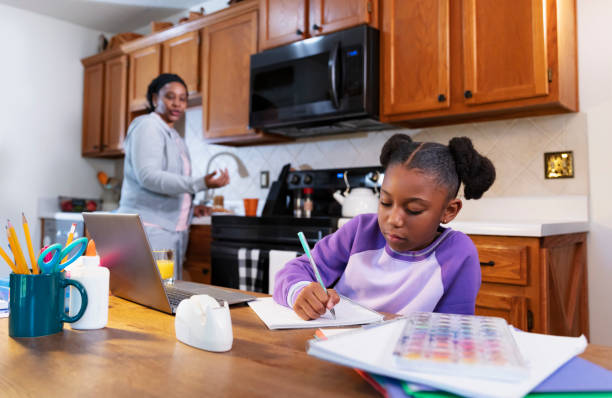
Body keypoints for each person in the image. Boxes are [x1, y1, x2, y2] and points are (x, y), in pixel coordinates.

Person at [273, 134, 496, 320]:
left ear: (449, 211)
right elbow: (292, 272)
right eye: (385, 202)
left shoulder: (458, 254)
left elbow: (454, 329)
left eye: (414, 209)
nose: (393, 219)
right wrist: (300, 291)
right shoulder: (360, 231)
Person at [117, 73, 229, 279]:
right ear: (154, 99)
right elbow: (149, 176)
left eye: (182, 98)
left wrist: (190, 209)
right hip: (149, 229)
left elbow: (168, 185)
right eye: (170, 96)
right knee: (151, 300)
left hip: (168, 231)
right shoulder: (148, 126)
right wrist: (201, 182)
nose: (177, 103)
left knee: (165, 296)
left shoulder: (173, 135)